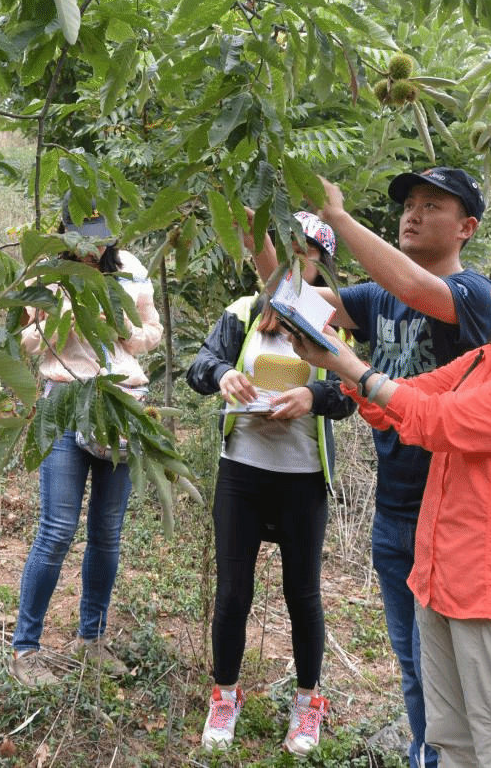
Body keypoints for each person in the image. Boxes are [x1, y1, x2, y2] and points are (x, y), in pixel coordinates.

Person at [288, 208, 491, 768]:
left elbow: (441, 423)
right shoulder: (486, 359)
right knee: (454, 749)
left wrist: (352, 367)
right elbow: (402, 402)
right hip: (442, 582)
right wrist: (342, 364)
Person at [253, 168, 491, 768]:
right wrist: (251, 227)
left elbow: (417, 288)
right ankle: (424, 755)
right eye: (409, 203)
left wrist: (337, 217)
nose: (412, 213)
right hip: (393, 510)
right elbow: (290, 299)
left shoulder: (475, 295)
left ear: (467, 227)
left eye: (432, 205)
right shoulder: (376, 297)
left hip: (450, 511)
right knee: (413, 663)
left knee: (450, 669)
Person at [185, 212, 356, 755]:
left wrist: (312, 397)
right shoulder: (244, 311)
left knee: (302, 594)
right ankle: (224, 696)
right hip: (242, 471)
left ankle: (308, 703)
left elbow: (353, 393)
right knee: (233, 592)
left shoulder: (332, 321)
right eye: (286, 249)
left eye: (307, 253)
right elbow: (199, 366)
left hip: (302, 477)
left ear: (322, 265)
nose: (293, 261)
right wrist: (223, 375)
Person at [7, 202, 163, 686]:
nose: (92, 249)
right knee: (56, 529)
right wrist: (63, 320)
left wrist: (124, 329)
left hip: (120, 405)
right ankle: (25, 649)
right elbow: (24, 340)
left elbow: (152, 332)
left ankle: (91, 639)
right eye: (83, 239)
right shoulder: (47, 274)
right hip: (64, 400)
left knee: (107, 531)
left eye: (100, 239)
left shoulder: (131, 269)